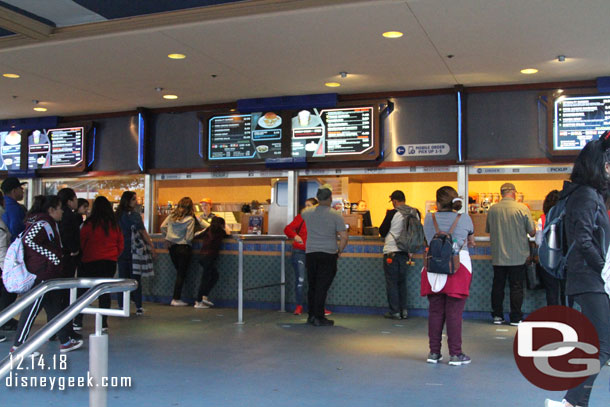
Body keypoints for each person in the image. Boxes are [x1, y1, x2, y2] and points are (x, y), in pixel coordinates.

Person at [545, 134, 610, 407]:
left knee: (600, 342)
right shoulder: (586, 195)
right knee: (602, 345)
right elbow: (583, 239)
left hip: (586, 278)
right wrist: (603, 268)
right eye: (607, 164)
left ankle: (574, 402)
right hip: (589, 278)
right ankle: (571, 402)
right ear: (598, 165)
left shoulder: (583, 194)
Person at [12, 195, 83, 353]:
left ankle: (65, 340)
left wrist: (57, 254)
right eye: (59, 208)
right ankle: (18, 346)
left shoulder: (41, 221)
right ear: (51, 210)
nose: (62, 212)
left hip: (46, 272)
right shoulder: (43, 222)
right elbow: (28, 240)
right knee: (32, 308)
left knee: (55, 307)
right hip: (42, 273)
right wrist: (52, 256)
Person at [421, 186, 475, 365]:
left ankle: (434, 353)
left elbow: (426, 239)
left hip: (433, 267)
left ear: (437, 203)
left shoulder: (429, 218)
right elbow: (471, 241)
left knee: (435, 312)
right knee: (454, 313)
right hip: (458, 267)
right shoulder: (465, 218)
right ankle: (456, 354)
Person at [486, 182, 535, 325]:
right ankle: (515, 317)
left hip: (498, 255)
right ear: (513, 192)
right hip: (518, 255)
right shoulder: (522, 208)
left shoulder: (493, 209)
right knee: (517, 287)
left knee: (498, 286)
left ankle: (497, 315)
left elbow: (488, 229)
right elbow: (531, 231)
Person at [300, 185, 348, 326]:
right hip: (328, 254)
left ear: (317, 198)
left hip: (311, 253)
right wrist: (339, 250)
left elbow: (303, 211)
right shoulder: (335, 215)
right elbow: (344, 237)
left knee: (313, 286)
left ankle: (311, 316)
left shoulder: (307, 213)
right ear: (330, 198)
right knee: (322, 286)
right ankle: (319, 317)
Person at [75, 196, 124, 331]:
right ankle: (103, 323)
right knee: (104, 292)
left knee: (83, 292)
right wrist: (113, 255)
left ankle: (78, 320)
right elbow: (120, 244)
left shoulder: (89, 224)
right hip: (109, 262)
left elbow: (81, 241)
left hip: (89, 261)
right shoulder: (114, 225)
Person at [379, 190, 420, 320]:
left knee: (392, 282)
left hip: (391, 251)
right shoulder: (415, 213)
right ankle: (404, 310)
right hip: (406, 253)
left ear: (395, 201)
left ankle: (394, 311)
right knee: (402, 282)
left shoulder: (393, 213)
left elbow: (382, 231)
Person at [161, 197, 205, 306]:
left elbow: (162, 227)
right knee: (181, 274)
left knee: (179, 273)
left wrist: (168, 236)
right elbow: (189, 237)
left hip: (172, 247)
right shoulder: (190, 219)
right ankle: (176, 298)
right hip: (184, 248)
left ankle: (176, 298)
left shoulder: (172, 216)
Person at [116, 191, 154, 316]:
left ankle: (121, 305)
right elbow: (143, 233)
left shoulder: (117, 215)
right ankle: (138, 306)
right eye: (133, 199)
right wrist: (151, 246)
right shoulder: (135, 216)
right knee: (135, 279)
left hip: (121, 251)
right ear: (128, 201)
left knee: (122, 279)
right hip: (134, 252)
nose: (136, 202)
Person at [284, 198, 318, 315]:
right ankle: (299, 306)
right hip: (300, 252)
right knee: (301, 280)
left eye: (309, 205)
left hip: (314, 252)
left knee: (317, 281)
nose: (306, 208)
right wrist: (295, 235)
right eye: (305, 205)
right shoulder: (301, 217)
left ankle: (318, 307)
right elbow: (287, 229)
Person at [535, 189, 566, 306]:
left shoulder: (542, 219)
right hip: (563, 260)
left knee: (551, 292)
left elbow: (538, 241)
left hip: (547, 261)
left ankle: (553, 318)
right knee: (564, 292)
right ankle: (566, 319)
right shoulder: (566, 218)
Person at [194, 216, 229, 309]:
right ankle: (199, 300)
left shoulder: (208, 230)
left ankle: (204, 297)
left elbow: (197, 236)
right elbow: (228, 235)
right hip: (210, 257)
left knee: (212, 276)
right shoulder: (221, 232)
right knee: (206, 279)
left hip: (202, 256)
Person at [1, 176, 27, 241]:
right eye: (20, 188)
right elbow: (16, 230)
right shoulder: (16, 209)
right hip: (12, 247)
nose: (22, 190)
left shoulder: (3, 205)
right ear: (14, 191)